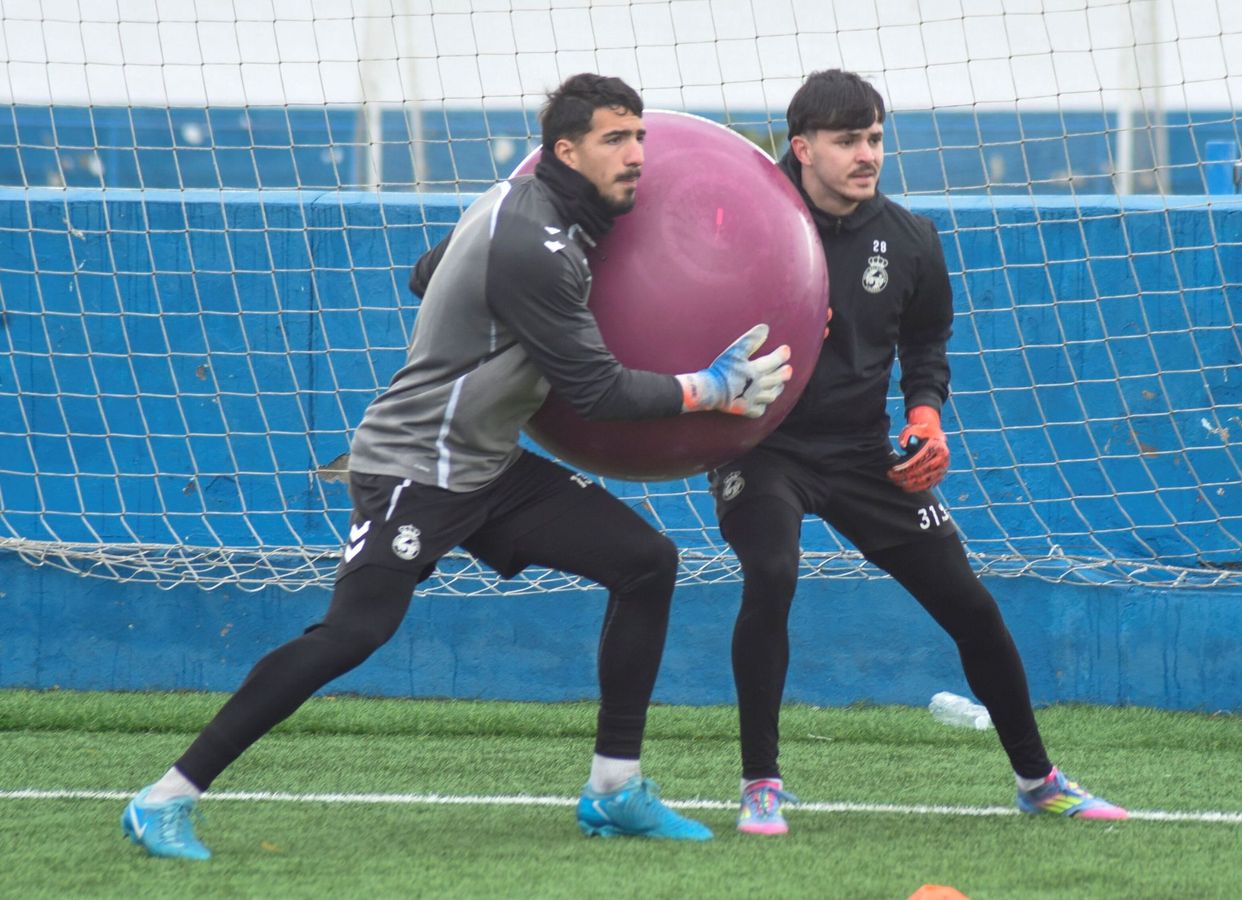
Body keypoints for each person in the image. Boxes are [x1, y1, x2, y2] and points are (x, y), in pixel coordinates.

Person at [121, 73, 793, 859]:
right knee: (353, 633)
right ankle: (165, 797)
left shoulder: (526, 205)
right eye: (615, 139)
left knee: (646, 562)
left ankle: (614, 788)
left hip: (487, 465)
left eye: (639, 136)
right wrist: (711, 388)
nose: (638, 154)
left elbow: (423, 273)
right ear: (566, 151)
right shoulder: (533, 241)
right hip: (413, 468)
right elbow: (598, 391)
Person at [709, 69, 1126, 836]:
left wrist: (926, 421)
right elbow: (688, 314)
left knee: (972, 606)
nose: (867, 154)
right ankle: (760, 783)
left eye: (874, 138)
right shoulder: (746, 225)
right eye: (847, 140)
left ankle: (1038, 781)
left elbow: (926, 344)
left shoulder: (909, 239)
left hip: (863, 451)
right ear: (802, 147)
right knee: (772, 571)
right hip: (763, 445)